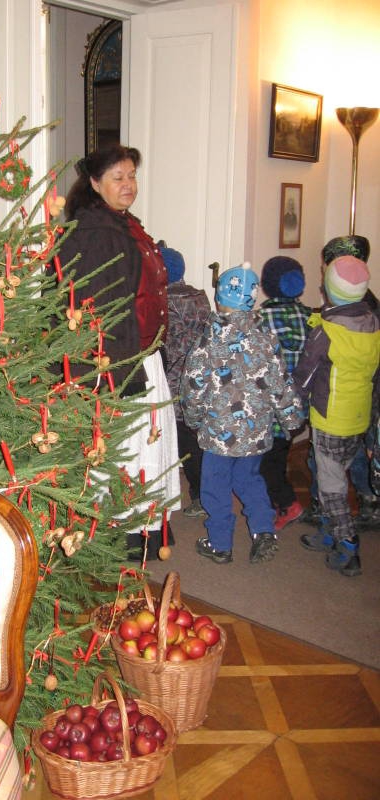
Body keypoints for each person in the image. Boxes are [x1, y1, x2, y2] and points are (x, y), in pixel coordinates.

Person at [57, 144, 181, 561]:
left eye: (132, 176)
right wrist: (117, 377)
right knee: (125, 449)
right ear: (95, 183)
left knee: (146, 445)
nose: (128, 185)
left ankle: (144, 529)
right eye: (118, 177)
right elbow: (96, 311)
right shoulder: (96, 233)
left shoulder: (123, 224)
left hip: (141, 354)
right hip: (118, 362)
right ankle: (120, 537)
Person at [181, 264, 304, 564]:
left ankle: (220, 544)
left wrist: (192, 419)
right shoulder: (266, 338)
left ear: (220, 300)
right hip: (255, 432)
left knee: (215, 487)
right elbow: (280, 382)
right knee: (250, 480)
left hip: (218, 437)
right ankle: (263, 530)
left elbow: (193, 386)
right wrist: (291, 418)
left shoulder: (208, 340)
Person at [294, 256, 380, 577]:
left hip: (330, 418)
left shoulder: (326, 331)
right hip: (359, 416)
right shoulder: (373, 324)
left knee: (331, 486)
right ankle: (329, 531)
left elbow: (304, 376)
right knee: (335, 472)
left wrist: (291, 406)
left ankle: (347, 543)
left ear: (329, 289)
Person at [258, 256, 312, 530]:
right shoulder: (310, 317)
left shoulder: (262, 319)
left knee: (267, 464)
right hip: (298, 407)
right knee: (279, 455)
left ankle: (288, 504)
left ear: (267, 285)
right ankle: (274, 502)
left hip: (270, 409)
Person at [161, 245, 211, 517]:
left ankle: (201, 495)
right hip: (202, 379)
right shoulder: (201, 297)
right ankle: (205, 492)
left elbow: (166, 345)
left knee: (184, 441)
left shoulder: (164, 303)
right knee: (199, 438)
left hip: (176, 381)